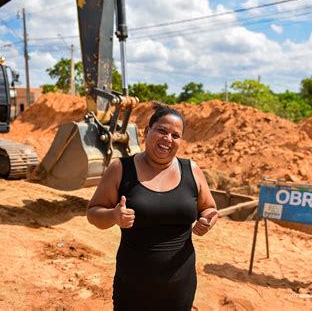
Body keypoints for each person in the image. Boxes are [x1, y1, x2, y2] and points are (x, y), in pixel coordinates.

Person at [87, 102, 218, 311]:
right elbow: (93, 213)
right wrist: (113, 215)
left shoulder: (191, 169)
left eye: (175, 136)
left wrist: (207, 221)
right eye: (162, 131)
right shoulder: (121, 169)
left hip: (179, 288)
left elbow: (210, 208)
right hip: (133, 289)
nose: (168, 139)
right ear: (147, 131)